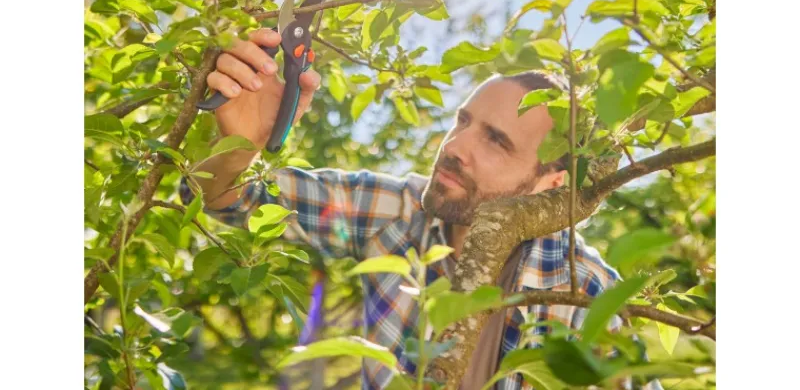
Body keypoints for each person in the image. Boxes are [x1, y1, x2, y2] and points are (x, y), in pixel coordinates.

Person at [180, 28, 661, 390]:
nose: (454, 147)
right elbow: (230, 200)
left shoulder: (587, 292)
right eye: (462, 121)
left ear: (551, 184)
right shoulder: (398, 212)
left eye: (496, 141)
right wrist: (242, 144)